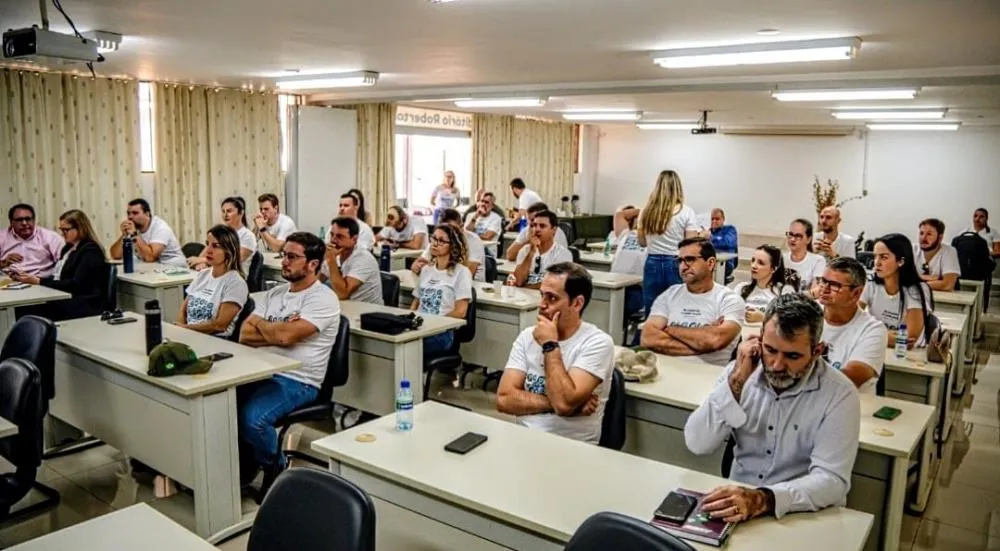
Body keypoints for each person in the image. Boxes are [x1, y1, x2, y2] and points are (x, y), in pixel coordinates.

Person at [684, 294, 860, 523]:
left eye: (792, 356)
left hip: (803, 514)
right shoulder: (741, 372)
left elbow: (832, 480)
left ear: (817, 351)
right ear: (759, 341)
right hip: (738, 504)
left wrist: (762, 499)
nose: (777, 365)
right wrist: (737, 380)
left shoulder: (839, 393)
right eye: (770, 350)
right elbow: (698, 443)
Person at [238, 232, 341, 494]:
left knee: (253, 420)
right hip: (262, 370)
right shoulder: (276, 293)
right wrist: (277, 333)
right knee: (220, 406)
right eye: (284, 255)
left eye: (292, 257)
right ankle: (244, 465)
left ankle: (276, 466)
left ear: (313, 265)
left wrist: (273, 331)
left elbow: (284, 336)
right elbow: (244, 335)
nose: (284, 261)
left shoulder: (323, 298)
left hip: (300, 380)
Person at [496, 263, 615, 444]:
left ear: (577, 303)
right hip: (522, 438)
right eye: (542, 295)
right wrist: (569, 407)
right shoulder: (527, 336)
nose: (542, 305)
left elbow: (564, 402)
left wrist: (550, 345)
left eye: (551, 298)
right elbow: (504, 400)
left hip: (572, 446)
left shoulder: (597, 342)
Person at [641, 238, 745, 366]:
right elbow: (648, 338)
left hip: (707, 377)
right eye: (680, 261)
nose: (683, 266)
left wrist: (670, 329)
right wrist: (703, 342)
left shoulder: (729, 300)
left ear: (711, 263)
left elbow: (715, 340)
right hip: (665, 371)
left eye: (690, 259)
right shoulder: (670, 294)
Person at [9, 209, 106, 321]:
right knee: (23, 307)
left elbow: (75, 285)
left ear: (80, 229)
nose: (62, 234)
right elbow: (59, 277)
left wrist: (39, 281)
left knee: (28, 310)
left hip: (83, 302)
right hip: (66, 296)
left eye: (66, 230)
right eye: (61, 230)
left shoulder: (90, 251)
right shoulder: (68, 248)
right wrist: (30, 278)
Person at [815, 257, 887, 394]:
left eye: (835, 285)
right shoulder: (806, 314)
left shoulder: (873, 330)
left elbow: (849, 379)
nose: (825, 289)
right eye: (823, 281)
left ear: (856, 293)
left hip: (849, 406)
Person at [637, 170, 701, 317]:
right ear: (678, 187)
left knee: (652, 311)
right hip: (676, 263)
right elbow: (690, 246)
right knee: (676, 310)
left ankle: (651, 338)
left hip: (652, 262)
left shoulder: (646, 211)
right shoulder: (686, 212)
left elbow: (641, 242)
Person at [861, 234, 934, 348]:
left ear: (901, 261)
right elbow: (850, 321)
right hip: (875, 347)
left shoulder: (916, 290)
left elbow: (909, 339)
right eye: (875, 256)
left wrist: (869, 334)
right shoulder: (870, 283)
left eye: (883, 257)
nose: (877, 262)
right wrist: (885, 337)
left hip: (909, 356)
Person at [410, 225, 472, 358]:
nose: (435, 244)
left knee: (409, 349)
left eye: (441, 241)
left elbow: (461, 312)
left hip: (442, 332)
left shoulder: (461, 272)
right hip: (420, 328)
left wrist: (435, 322)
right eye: (434, 239)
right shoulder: (426, 270)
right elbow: (416, 303)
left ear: (453, 246)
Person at [177, 225, 249, 338]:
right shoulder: (202, 275)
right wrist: (180, 331)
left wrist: (185, 329)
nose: (208, 251)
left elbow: (219, 326)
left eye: (216, 246)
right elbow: (183, 310)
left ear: (229, 250)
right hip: (191, 335)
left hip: (215, 340)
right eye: (207, 244)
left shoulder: (236, 283)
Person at [321, 216, 383, 304]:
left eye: (339, 236)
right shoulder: (334, 255)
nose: (333, 240)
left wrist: (331, 261)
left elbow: (343, 294)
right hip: (344, 308)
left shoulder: (363, 259)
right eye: (332, 235)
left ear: (354, 239)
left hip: (366, 313)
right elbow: (314, 282)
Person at [109, 198, 186, 267]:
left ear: (147, 214)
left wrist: (134, 235)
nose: (130, 217)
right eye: (128, 213)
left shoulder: (160, 227)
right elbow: (115, 256)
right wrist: (124, 235)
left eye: (135, 213)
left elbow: (150, 258)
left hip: (173, 267)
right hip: (153, 268)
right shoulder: (135, 228)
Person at [732, 245, 799, 324]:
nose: (754, 266)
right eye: (753, 260)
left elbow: (793, 322)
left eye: (761, 263)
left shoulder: (785, 291)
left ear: (773, 269)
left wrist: (763, 317)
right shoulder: (741, 288)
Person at [189, 197, 257, 274]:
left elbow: (234, 260)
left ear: (241, 213)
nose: (225, 215)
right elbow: (203, 255)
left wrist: (203, 260)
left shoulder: (248, 235)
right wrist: (202, 263)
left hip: (234, 277)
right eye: (223, 211)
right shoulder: (220, 233)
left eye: (229, 211)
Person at [414, 208, 485, 281]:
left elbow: (467, 275)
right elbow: (418, 264)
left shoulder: (474, 241)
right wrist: (418, 266)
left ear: (461, 226)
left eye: (452, 229)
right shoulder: (439, 238)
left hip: (472, 286)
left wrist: (432, 269)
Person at [511, 211, 573, 289]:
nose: (537, 229)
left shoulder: (563, 254)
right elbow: (519, 281)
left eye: (542, 226)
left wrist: (527, 287)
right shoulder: (525, 250)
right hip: (523, 298)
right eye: (534, 225)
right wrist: (531, 251)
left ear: (554, 230)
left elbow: (554, 285)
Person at [0, 203, 62, 277]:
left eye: (28, 219)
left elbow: (64, 263)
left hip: (40, 282)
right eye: (19, 220)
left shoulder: (51, 237)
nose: (24, 223)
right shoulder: (2, 237)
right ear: (11, 222)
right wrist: (3, 263)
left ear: (34, 220)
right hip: (7, 281)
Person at [611, 206, 646, 321]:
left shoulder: (655, 239)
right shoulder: (625, 234)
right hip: (616, 285)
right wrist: (643, 211)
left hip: (636, 289)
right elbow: (620, 215)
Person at [505, 202, 569, 261]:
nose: (530, 223)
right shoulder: (528, 229)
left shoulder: (553, 232)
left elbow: (546, 263)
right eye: (528, 220)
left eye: (533, 219)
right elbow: (510, 256)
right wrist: (528, 241)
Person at [914, 218, 961, 291]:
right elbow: (900, 279)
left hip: (944, 300)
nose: (923, 238)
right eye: (921, 233)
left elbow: (947, 284)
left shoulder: (949, 251)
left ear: (940, 238)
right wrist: (935, 279)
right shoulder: (913, 249)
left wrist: (916, 281)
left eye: (929, 234)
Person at [783, 218, 826, 293]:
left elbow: (816, 290)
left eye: (798, 236)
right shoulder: (781, 259)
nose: (792, 239)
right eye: (790, 234)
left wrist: (794, 298)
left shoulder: (818, 260)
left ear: (808, 239)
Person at [464, 191, 504, 257]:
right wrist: (476, 217)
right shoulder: (471, 215)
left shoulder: (496, 218)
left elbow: (487, 237)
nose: (483, 204)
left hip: (488, 254)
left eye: (486, 202)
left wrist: (472, 235)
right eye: (481, 201)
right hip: (472, 252)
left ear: (492, 206)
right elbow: (466, 233)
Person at [708, 208, 739, 283]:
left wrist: (711, 237)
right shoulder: (708, 231)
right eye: (712, 219)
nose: (714, 221)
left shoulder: (730, 229)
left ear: (723, 219)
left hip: (726, 263)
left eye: (717, 219)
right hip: (711, 261)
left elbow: (727, 243)